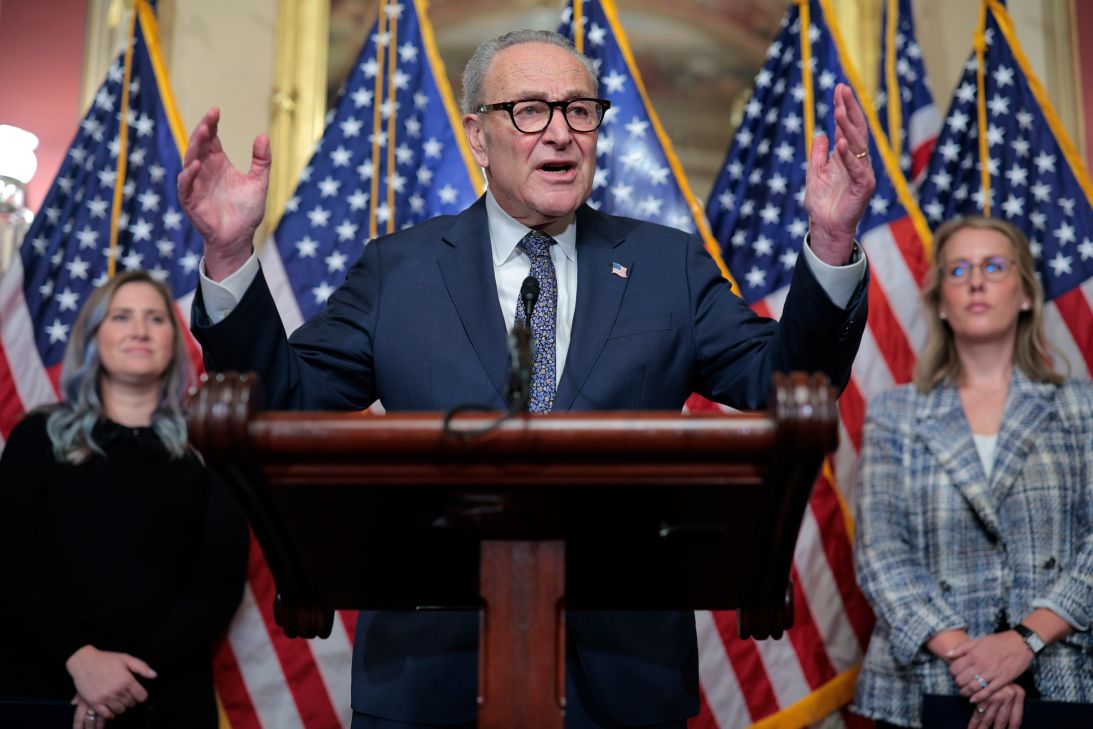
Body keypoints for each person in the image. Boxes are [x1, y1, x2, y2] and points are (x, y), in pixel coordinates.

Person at [178, 28, 874, 729]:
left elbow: (788, 384)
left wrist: (831, 243)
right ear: (478, 135)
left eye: (579, 110)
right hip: (429, 679)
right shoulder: (399, 271)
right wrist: (232, 253)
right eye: (531, 110)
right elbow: (284, 401)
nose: (562, 134)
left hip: (622, 681)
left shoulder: (667, 266)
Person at [852, 216, 1093, 729]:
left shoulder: (1081, 407)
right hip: (928, 683)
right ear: (940, 301)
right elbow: (879, 554)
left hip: (1065, 673)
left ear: (1026, 294)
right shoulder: (895, 413)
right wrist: (974, 662)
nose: (976, 280)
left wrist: (1023, 642)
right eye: (958, 270)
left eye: (994, 266)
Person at [0, 271, 249, 729]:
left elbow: (219, 583)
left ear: (174, 342)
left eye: (156, 319)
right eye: (122, 317)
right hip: (46, 685)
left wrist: (123, 677)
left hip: (165, 690)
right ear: (93, 337)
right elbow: (8, 562)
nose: (140, 330)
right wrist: (80, 660)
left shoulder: (208, 449)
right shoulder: (36, 438)